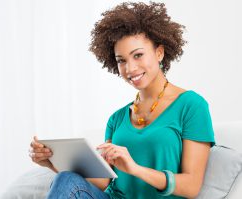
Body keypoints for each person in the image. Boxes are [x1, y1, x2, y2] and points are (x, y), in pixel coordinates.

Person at [29, 2, 215, 199]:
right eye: (121, 60)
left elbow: (192, 186)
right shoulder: (117, 119)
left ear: (159, 52)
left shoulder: (191, 106)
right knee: (66, 179)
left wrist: (135, 169)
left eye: (138, 55)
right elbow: (102, 182)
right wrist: (52, 162)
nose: (130, 68)